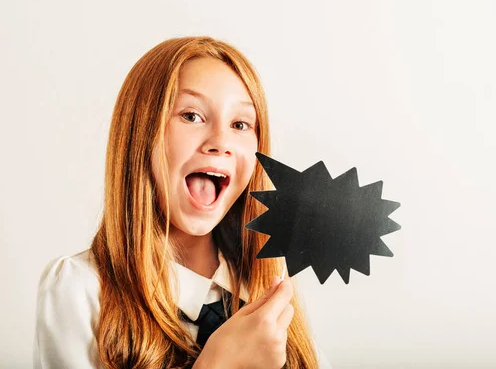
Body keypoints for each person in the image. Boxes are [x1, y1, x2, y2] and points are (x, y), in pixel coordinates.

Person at [33, 36, 329, 368]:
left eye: (240, 124)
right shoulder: (80, 289)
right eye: (191, 116)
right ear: (141, 134)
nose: (221, 142)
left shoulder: (271, 288)